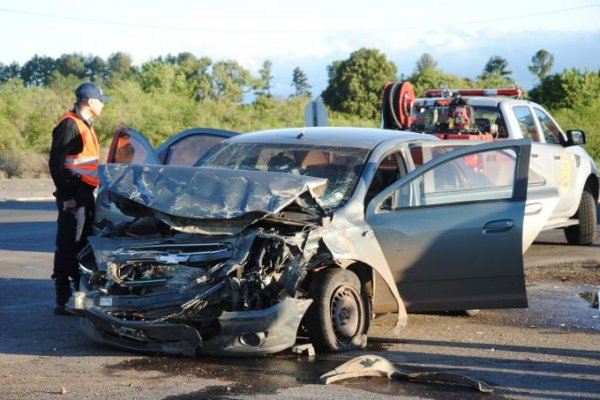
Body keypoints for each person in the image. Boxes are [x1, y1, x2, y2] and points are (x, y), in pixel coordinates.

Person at [48, 82, 111, 315]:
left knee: (82, 245)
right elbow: (56, 165)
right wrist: (67, 198)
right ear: (90, 101)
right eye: (101, 101)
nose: (103, 105)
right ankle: (63, 300)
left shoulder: (85, 125)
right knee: (68, 246)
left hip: (84, 193)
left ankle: (79, 299)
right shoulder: (69, 125)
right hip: (73, 194)